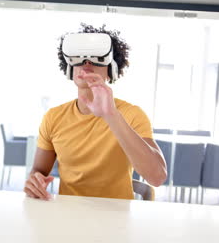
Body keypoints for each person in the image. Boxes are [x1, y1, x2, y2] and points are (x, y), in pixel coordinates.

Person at [23, 24, 167, 200]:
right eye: (79, 57)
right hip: (67, 215)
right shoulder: (53, 117)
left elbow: (157, 177)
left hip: (116, 218)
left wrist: (111, 115)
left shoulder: (132, 115)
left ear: (111, 70)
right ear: (69, 68)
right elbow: (38, 172)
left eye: (97, 56)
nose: (87, 62)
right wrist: (34, 182)